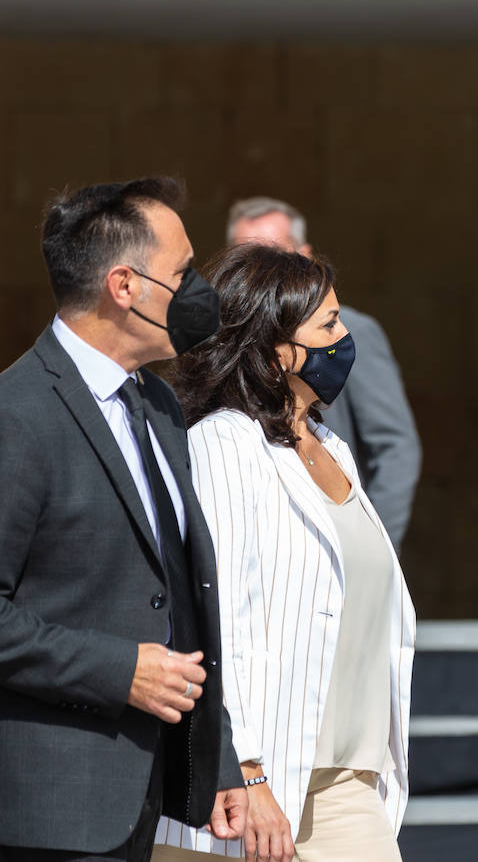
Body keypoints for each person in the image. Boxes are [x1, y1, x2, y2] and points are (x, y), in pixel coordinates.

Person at [0, 178, 247, 860]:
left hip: (140, 793)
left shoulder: (160, 406)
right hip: (44, 804)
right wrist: (120, 671)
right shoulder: (14, 414)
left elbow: (175, 598)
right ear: (124, 285)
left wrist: (220, 759)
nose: (198, 291)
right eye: (182, 273)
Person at [152, 244, 414, 862]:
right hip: (254, 793)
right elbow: (221, 620)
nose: (345, 337)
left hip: (345, 781)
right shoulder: (225, 443)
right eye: (327, 325)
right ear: (275, 351)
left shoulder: (330, 445)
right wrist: (245, 770)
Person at [227, 196, 421, 551]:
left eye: (276, 255)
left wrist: (369, 550)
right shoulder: (221, 351)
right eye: (248, 260)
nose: (263, 270)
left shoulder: (348, 332)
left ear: (304, 254)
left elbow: (395, 447)